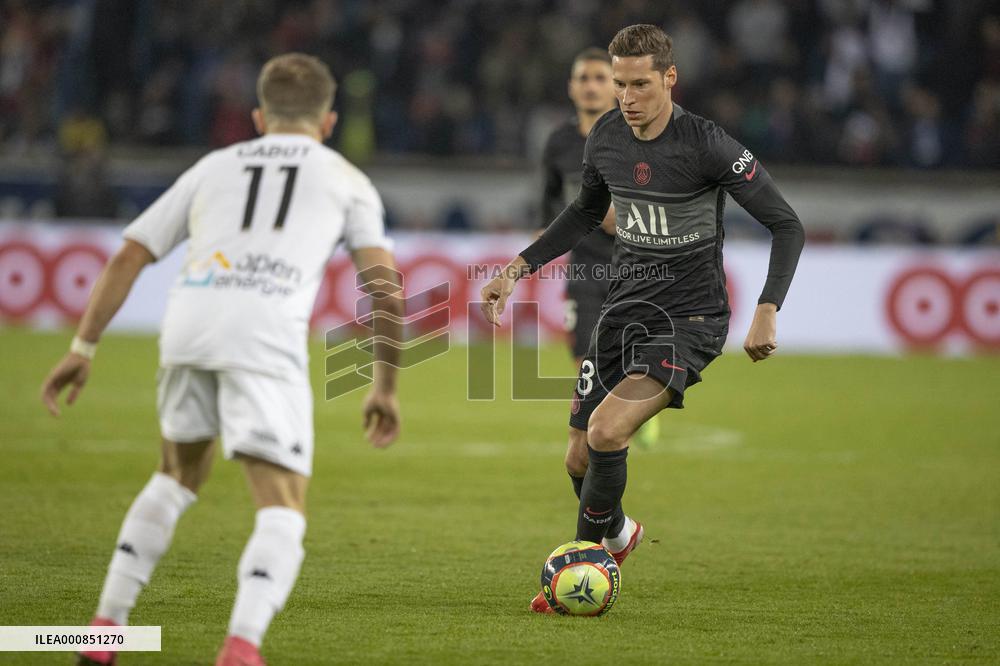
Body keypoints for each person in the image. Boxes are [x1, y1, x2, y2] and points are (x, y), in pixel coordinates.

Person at [40, 53, 403, 665]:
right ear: (330, 120)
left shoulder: (213, 166)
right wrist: (384, 386)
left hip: (187, 323)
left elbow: (130, 252)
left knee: (175, 475)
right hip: (263, 336)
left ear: (259, 116)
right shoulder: (346, 179)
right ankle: (241, 647)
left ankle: (103, 632)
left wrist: (83, 346)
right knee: (281, 504)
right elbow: (386, 291)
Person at [481, 25, 804, 614]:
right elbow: (584, 212)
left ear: (669, 79)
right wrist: (519, 267)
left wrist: (766, 309)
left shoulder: (708, 145)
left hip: (689, 319)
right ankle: (619, 533)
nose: (626, 98)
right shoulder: (605, 135)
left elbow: (787, 224)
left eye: (638, 85)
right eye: (619, 84)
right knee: (578, 456)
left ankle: (580, 569)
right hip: (619, 312)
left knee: (607, 432)